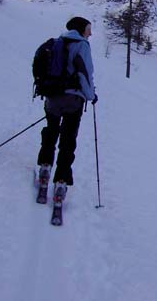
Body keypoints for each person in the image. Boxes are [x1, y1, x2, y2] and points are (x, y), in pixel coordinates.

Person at [37, 17, 97, 203]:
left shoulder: (58, 42)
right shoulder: (82, 46)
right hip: (73, 100)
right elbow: (84, 73)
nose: (90, 33)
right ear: (81, 29)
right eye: (88, 29)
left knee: (51, 131)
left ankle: (45, 166)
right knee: (68, 140)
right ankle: (61, 180)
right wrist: (91, 95)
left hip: (53, 98)